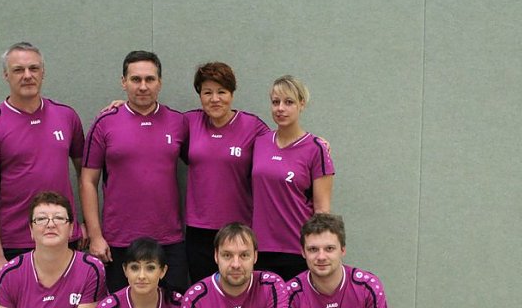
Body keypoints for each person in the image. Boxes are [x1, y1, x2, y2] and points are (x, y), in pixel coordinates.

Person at [0, 42, 87, 281]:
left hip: (65, 238)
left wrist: (84, 225)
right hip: (17, 242)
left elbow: (85, 177)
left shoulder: (67, 117)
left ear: (43, 72)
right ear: (6, 75)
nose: (27, 76)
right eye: (18, 70)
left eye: (33, 68)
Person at [80, 50, 189, 293]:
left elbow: (203, 160)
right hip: (118, 241)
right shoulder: (105, 122)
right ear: (123, 82)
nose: (142, 86)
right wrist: (96, 237)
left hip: (168, 240)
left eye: (149, 79)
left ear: (159, 82)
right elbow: (88, 181)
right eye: (135, 79)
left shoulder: (178, 122)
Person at [183, 62, 269, 281]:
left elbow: (282, 147)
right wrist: (123, 105)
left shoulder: (253, 126)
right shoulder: (189, 122)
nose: (215, 99)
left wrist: (317, 143)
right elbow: (155, 121)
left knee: (238, 293)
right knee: (202, 291)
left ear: (231, 94)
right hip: (199, 228)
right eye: (207, 92)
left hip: (238, 227)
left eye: (221, 92)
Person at [252, 75, 334, 281]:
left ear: (301, 104)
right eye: (275, 102)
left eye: (288, 102)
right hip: (260, 249)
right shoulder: (259, 142)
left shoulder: (316, 149)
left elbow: (322, 210)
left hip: (297, 250)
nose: (281, 108)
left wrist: (316, 252)